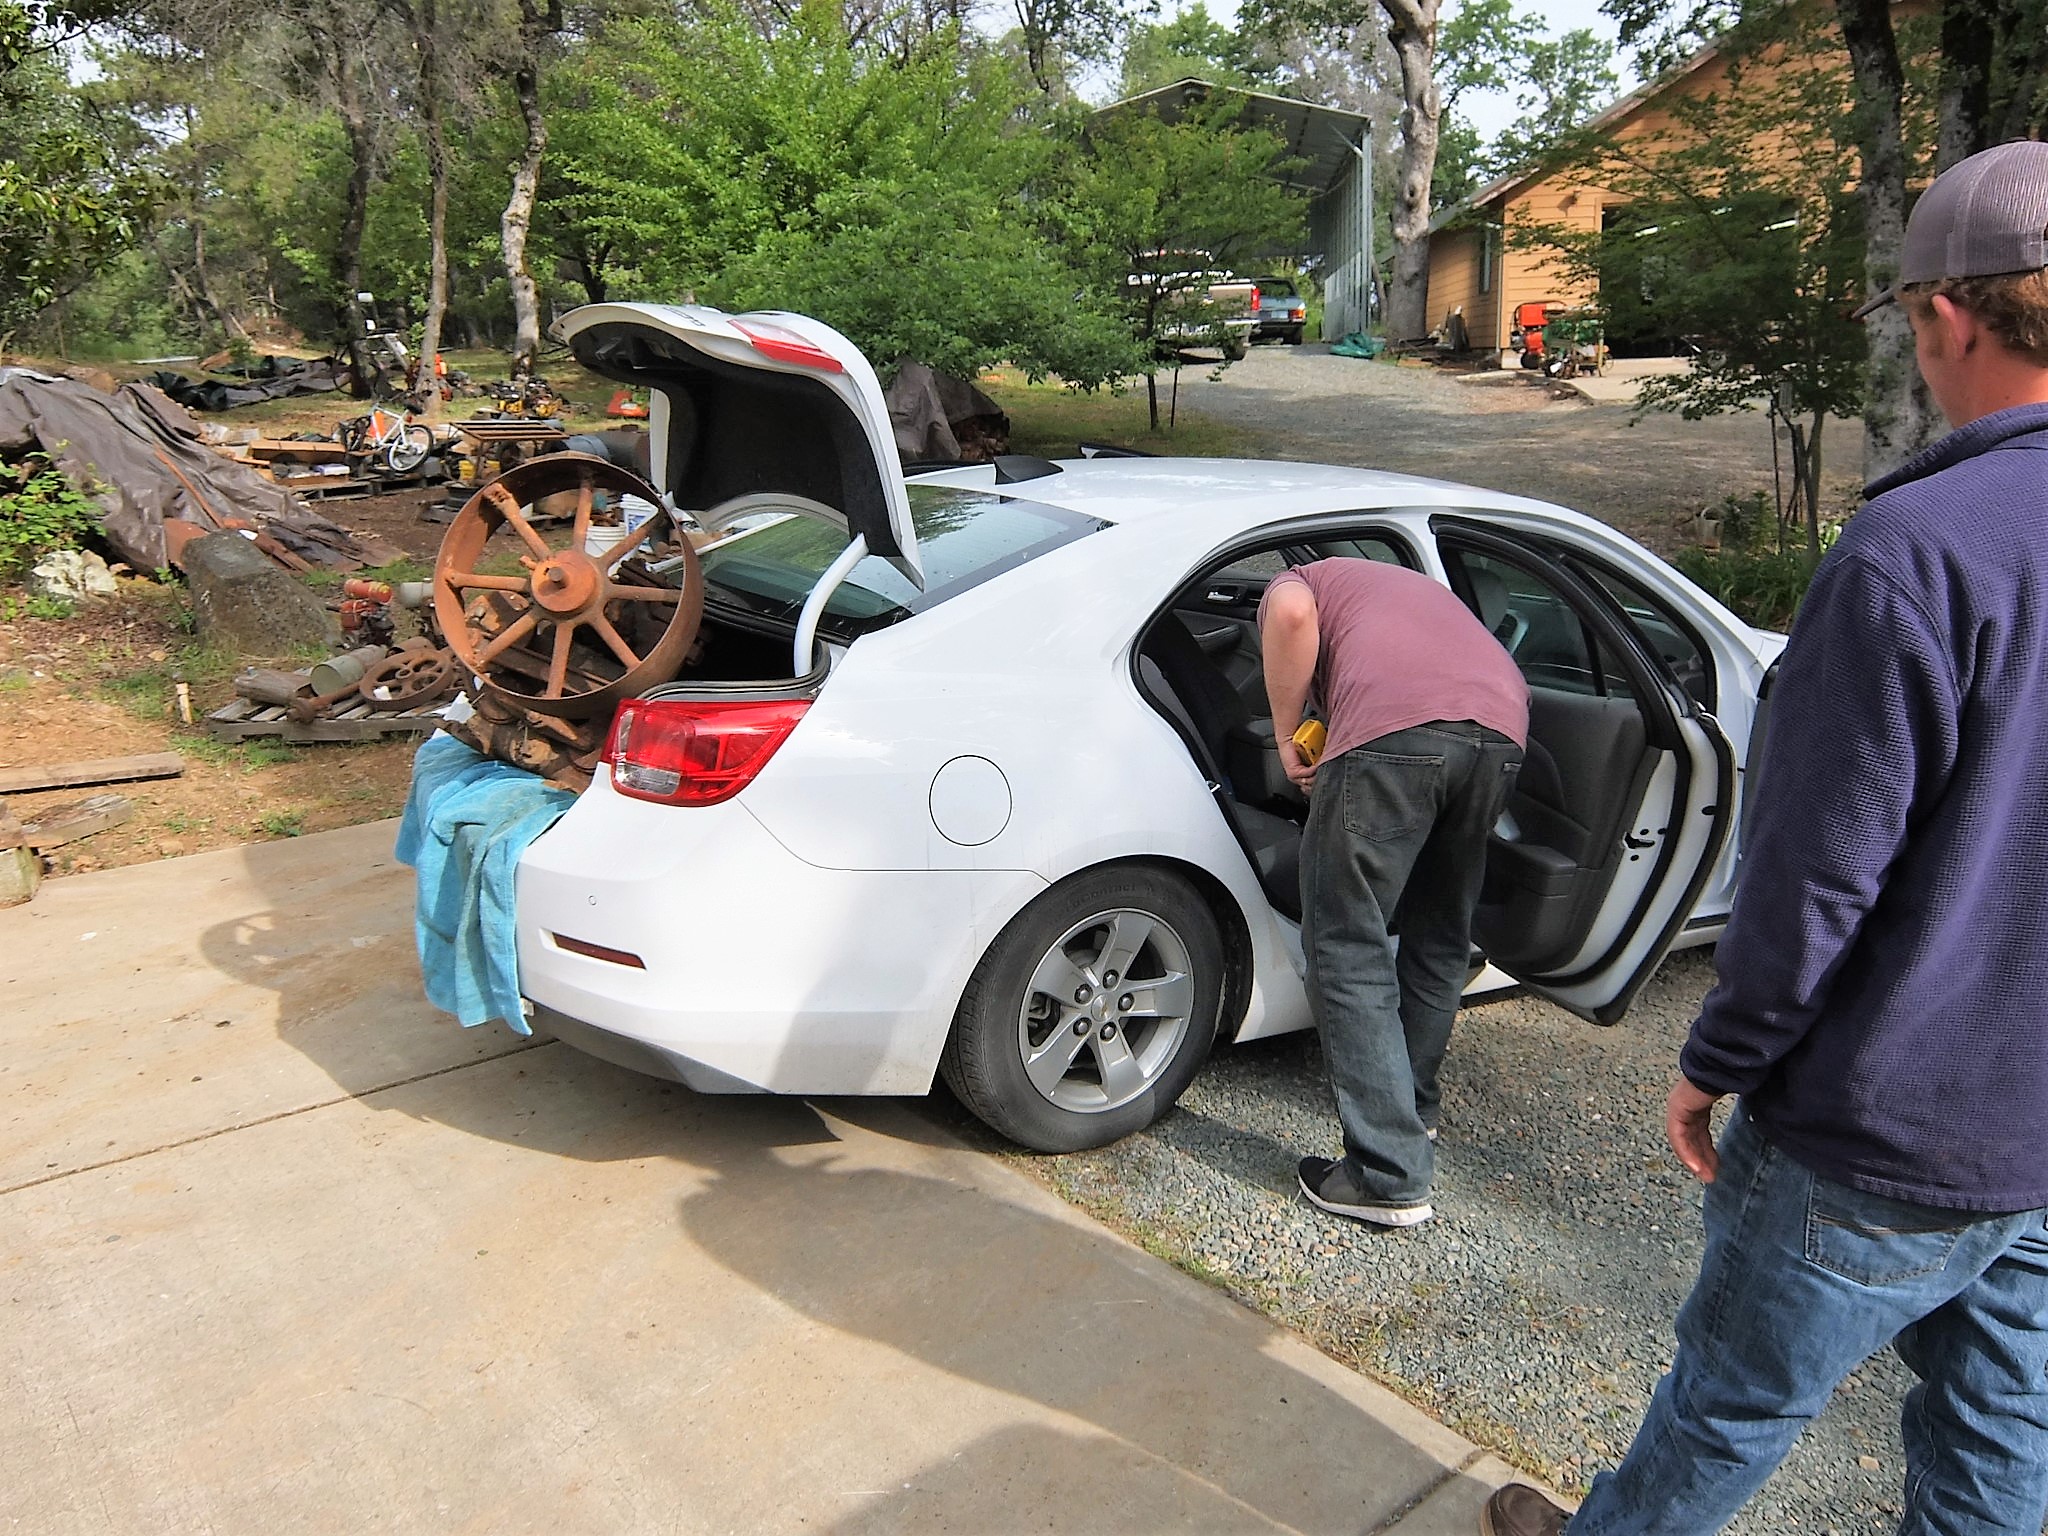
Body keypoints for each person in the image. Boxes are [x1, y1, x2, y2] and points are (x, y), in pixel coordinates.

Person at [1483, 139, 2048, 1536]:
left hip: (1879, 1126)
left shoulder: (1915, 555)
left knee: (1727, 1410)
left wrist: (1718, 1060)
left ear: (1944, 316)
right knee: (2000, 1446)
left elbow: (1813, 880)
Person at [1259, 556, 1527, 1229]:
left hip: (1394, 737)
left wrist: (1287, 738)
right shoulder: (1399, 588)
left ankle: (1386, 1174)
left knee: (1347, 944)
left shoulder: (1298, 582)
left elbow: (1290, 615)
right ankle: (1412, 1110)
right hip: (1501, 734)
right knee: (1440, 935)